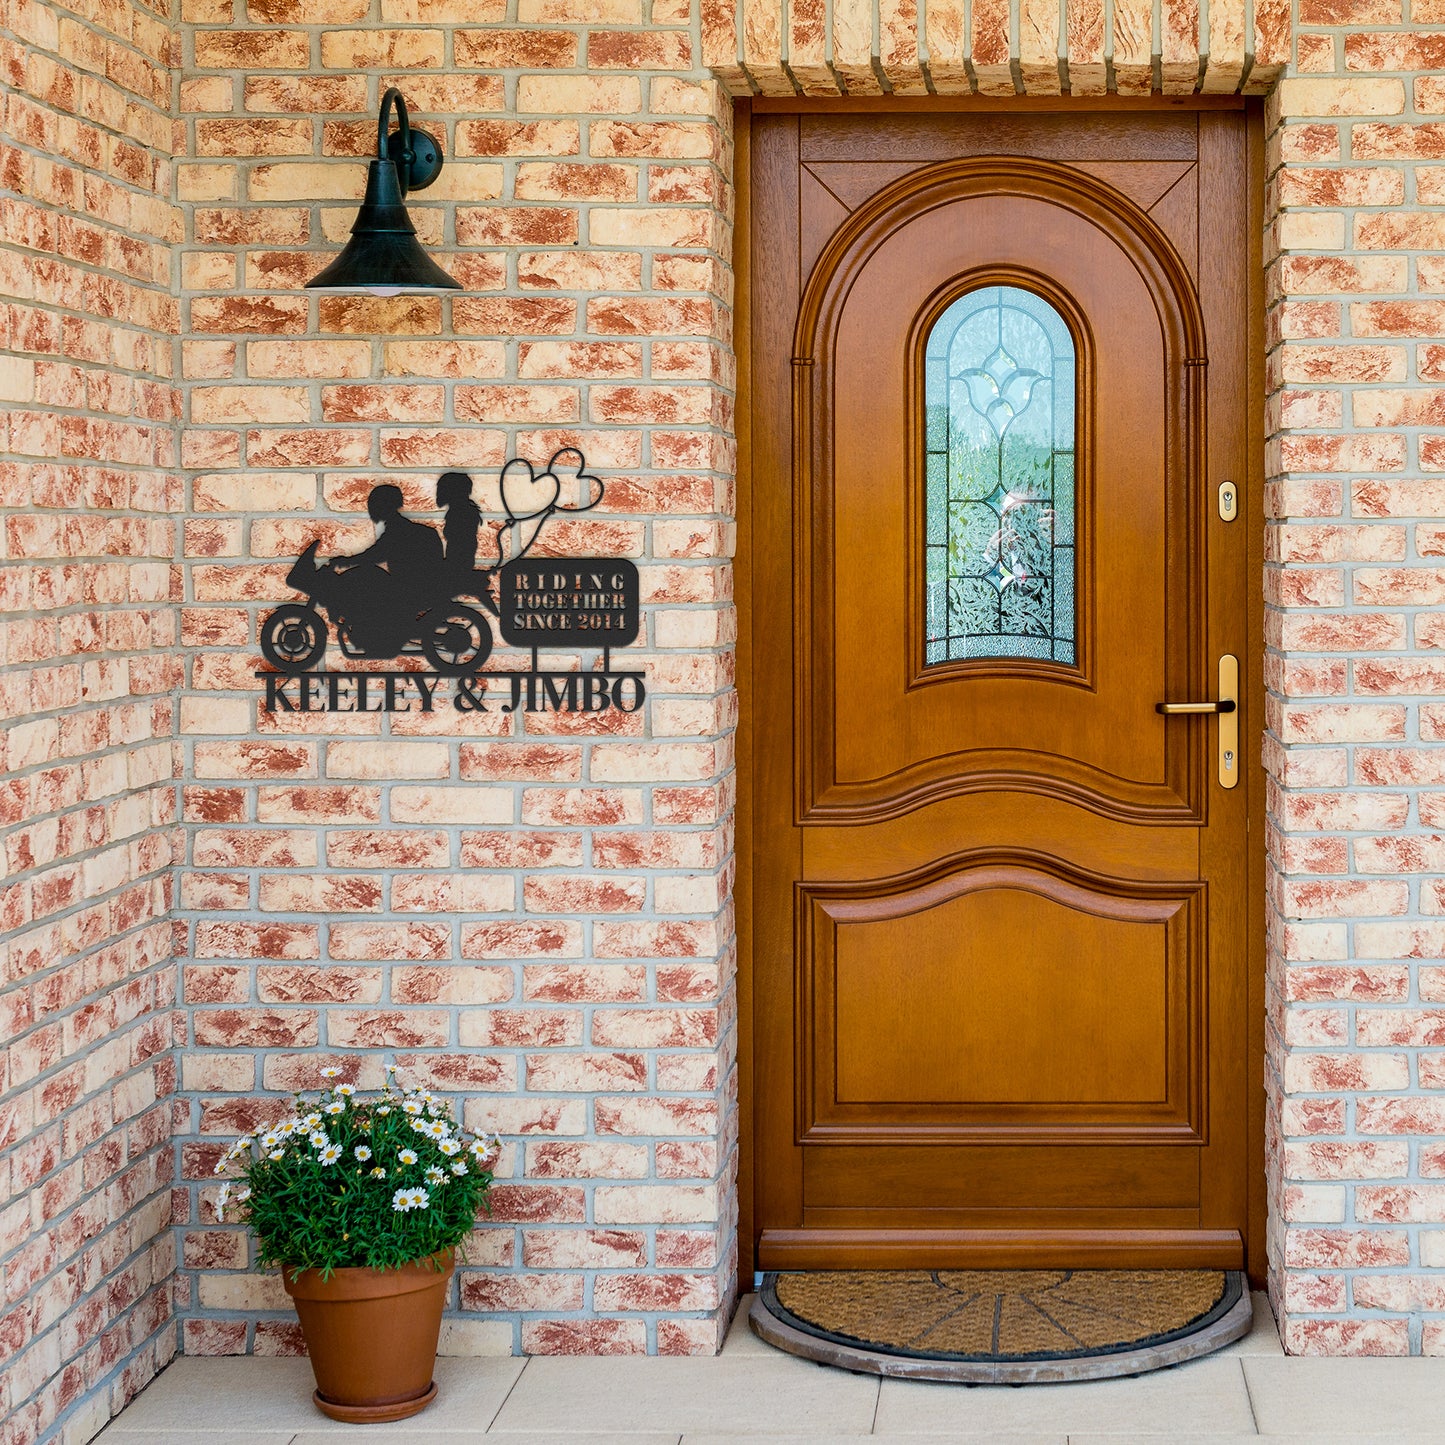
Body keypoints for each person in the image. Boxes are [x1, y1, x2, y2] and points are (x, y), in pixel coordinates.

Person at [327, 484, 444, 646]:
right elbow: (377, 553)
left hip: (412, 588)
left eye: (374, 504)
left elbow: (375, 554)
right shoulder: (401, 528)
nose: (371, 509)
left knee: (369, 582)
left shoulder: (398, 530)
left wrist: (345, 562)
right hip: (413, 584)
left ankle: (371, 633)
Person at [437, 471, 482, 582]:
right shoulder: (464, 511)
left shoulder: (459, 513)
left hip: (458, 561)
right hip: (457, 559)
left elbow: (457, 539)